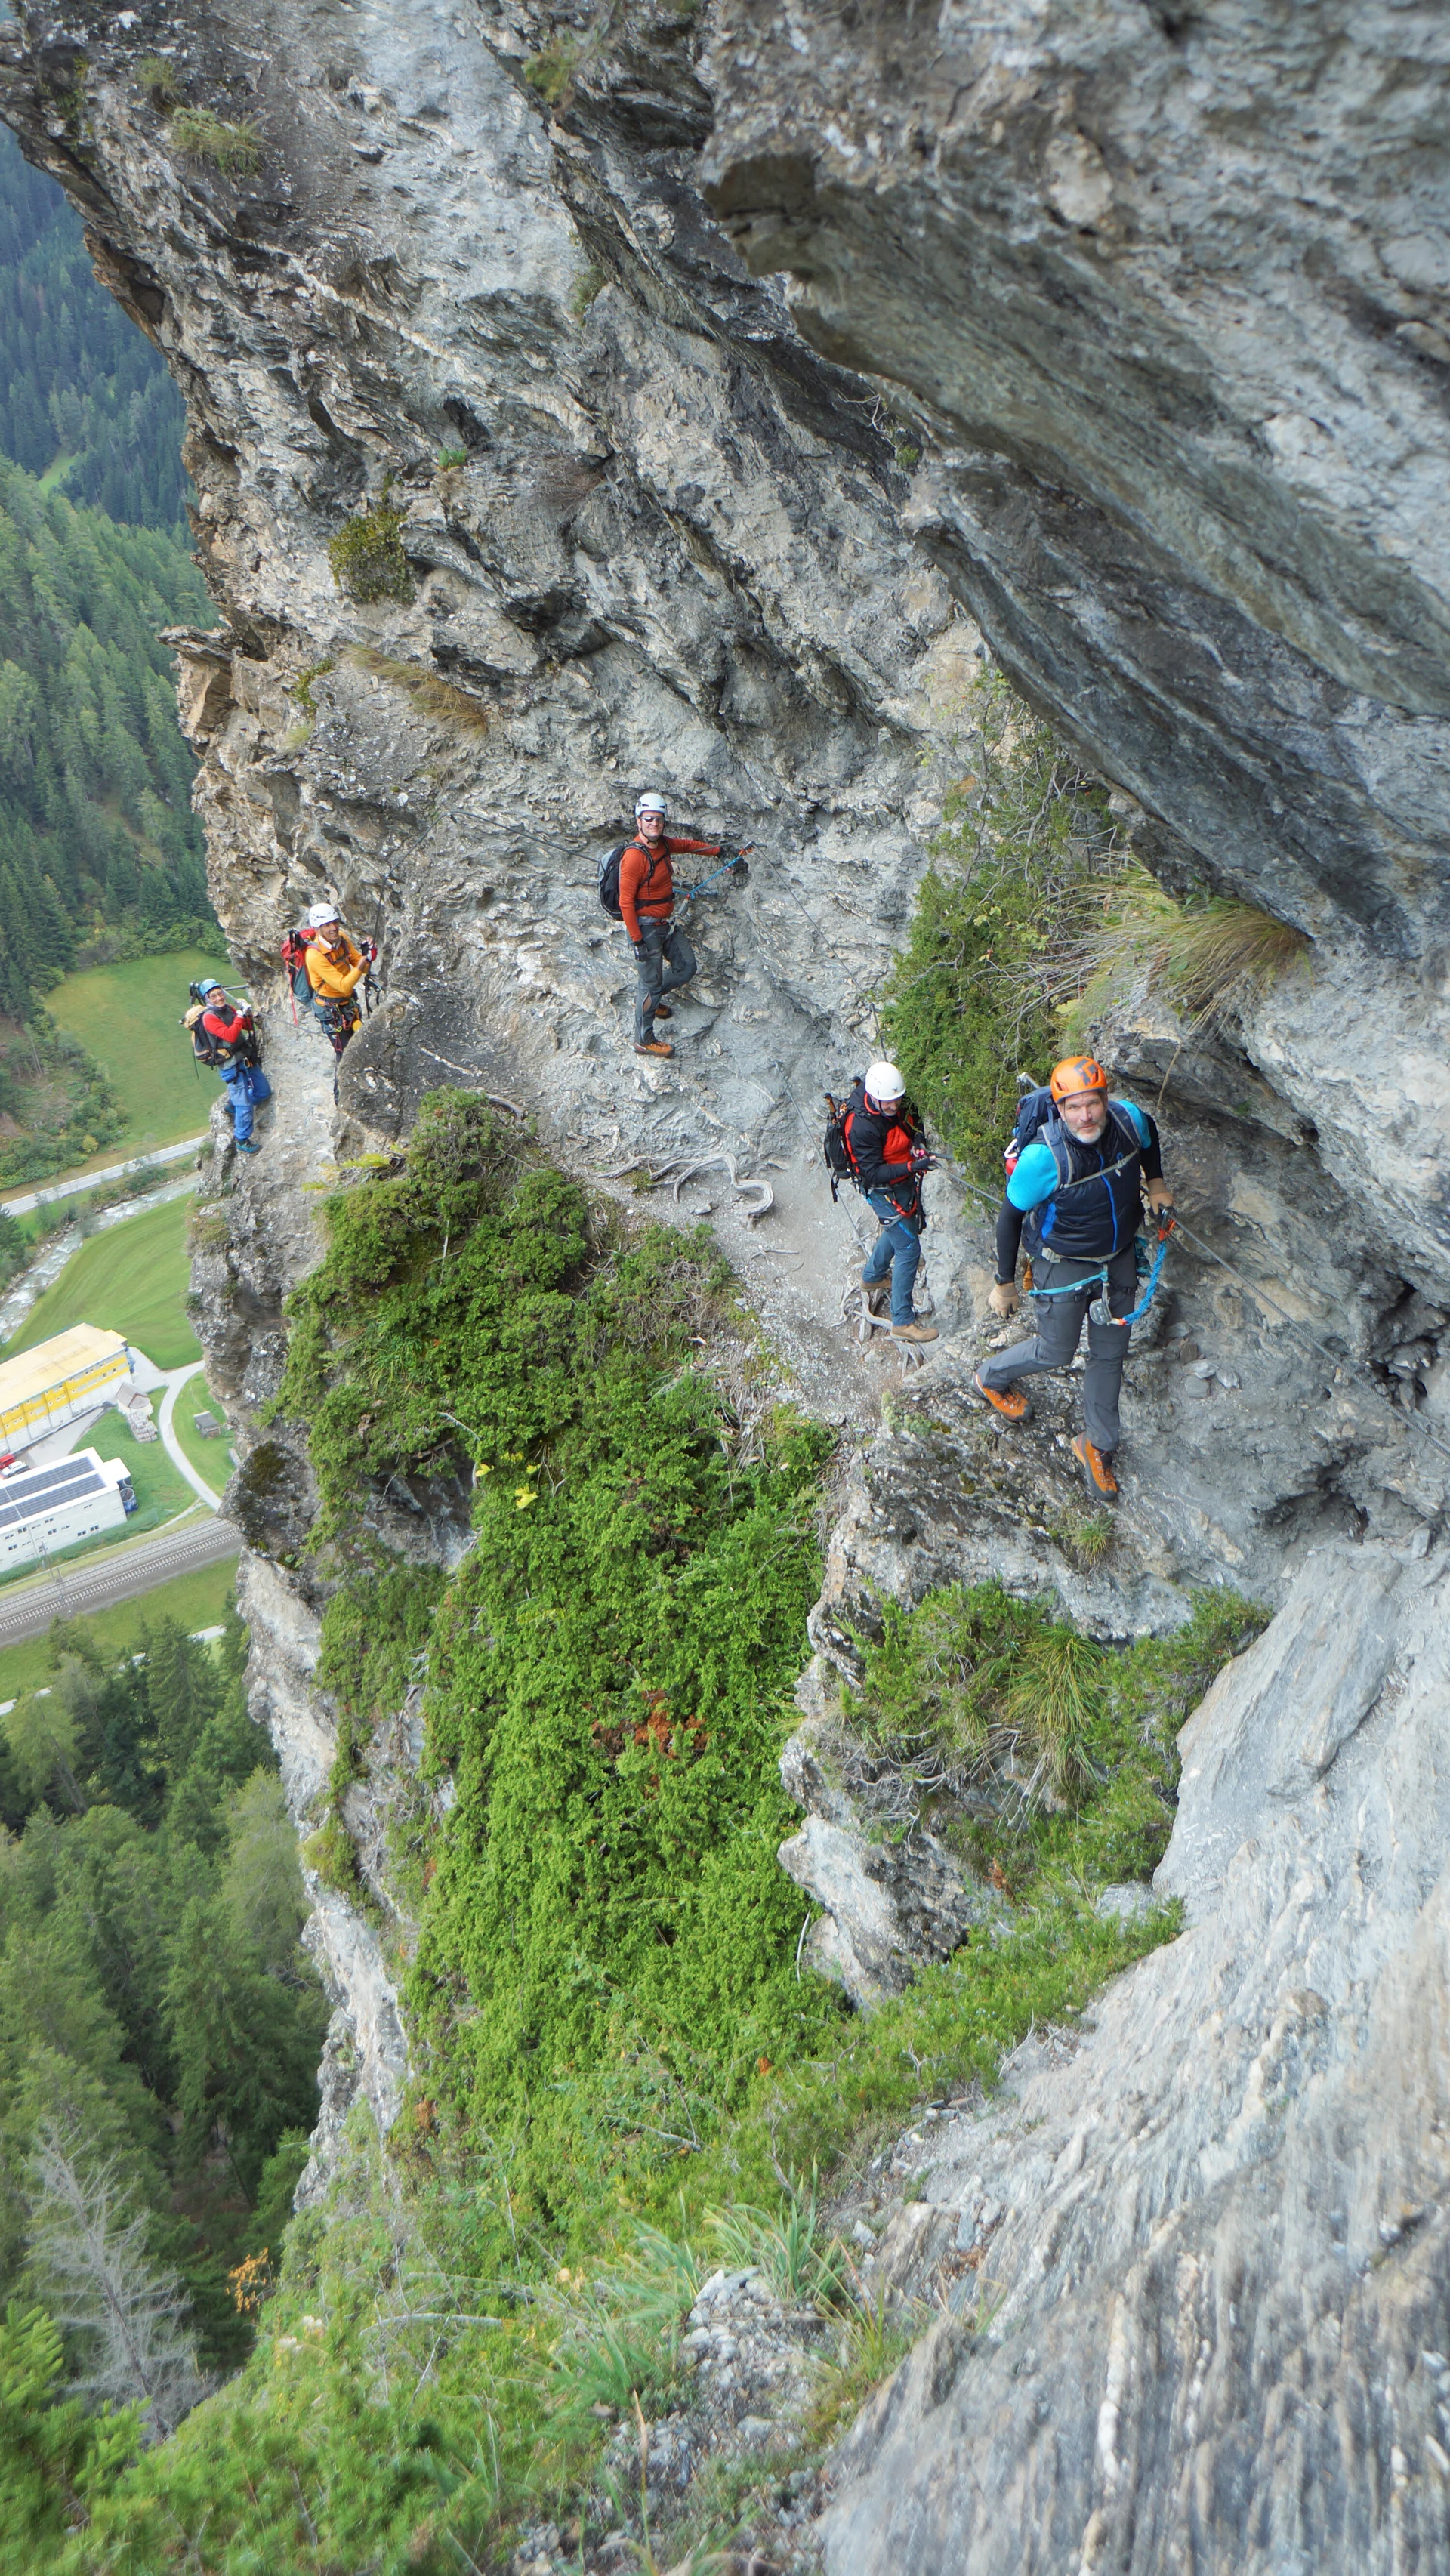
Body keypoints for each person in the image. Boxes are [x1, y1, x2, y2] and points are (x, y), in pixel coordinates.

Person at [974, 1054, 1174, 1498]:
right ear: (1060, 1109)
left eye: (1093, 1104)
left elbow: (1150, 1135)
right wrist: (1004, 1282)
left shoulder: (1128, 1121)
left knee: (1109, 1354)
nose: (1085, 1116)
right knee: (1056, 1350)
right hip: (1062, 1262)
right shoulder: (1043, 1159)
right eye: (1072, 1107)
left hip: (1119, 1257)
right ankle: (990, 1375)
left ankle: (1097, 1445)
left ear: (1106, 1099)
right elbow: (1009, 1219)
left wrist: (1156, 1182)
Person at [619, 794, 726, 1060]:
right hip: (646, 929)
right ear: (639, 821)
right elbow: (625, 902)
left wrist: (718, 851)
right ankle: (643, 1040)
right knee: (650, 986)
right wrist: (637, 942)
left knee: (686, 968)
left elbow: (688, 845)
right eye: (649, 819)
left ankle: (650, 1001)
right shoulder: (634, 858)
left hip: (666, 924)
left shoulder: (664, 845)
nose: (655, 824)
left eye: (659, 819)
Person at [843, 1060, 939, 1346]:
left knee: (898, 1231)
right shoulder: (861, 1126)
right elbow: (870, 1172)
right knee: (909, 1247)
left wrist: (918, 1141)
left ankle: (872, 1277)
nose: (895, 1106)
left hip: (900, 1181)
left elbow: (910, 1116)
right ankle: (903, 1321)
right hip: (881, 1189)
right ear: (874, 1097)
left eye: (897, 1100)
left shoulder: (891, 1097)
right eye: (889, 1103)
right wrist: (911, 1166)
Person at [189, 978, 270, 1155]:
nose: (219, 998)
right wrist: (240, 1016)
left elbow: (246, 1027)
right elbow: (230, 1036)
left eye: (220, 993)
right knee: (245, 1106)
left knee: (263, 1092)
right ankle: (242, 1140)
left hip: (244, 1057)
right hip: (230, 1066)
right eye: (214, 996)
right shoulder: (209, 1018)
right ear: (207, 999)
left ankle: (232, 1105)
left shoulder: (229, 1009)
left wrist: (246, 1013)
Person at [303, 902, 372, 1094]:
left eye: (335, 922)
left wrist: (367, 957)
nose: (333, 928)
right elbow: (345, 984)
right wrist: (362, 963)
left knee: (359, 1043)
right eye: (327, 925)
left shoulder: (342, 938)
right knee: (344, 1054)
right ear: (318, 929)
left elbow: (362, 967)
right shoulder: (314, 956)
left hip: (347, 1005)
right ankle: (341, 1096)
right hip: (331, 1011)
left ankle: (359, 1086)